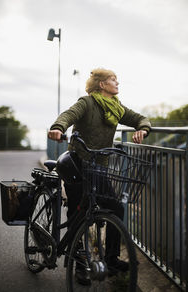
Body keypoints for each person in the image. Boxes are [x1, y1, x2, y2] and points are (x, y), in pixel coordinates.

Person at [48, 68, 151, 285]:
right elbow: (68, 114)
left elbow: (140, 118)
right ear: (102, 85)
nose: (117, 83)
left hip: (98, 166)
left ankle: (111, 259)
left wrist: (142, 129)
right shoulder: (86, 102)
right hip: (76, 162)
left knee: (116, 208)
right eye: (113, 79)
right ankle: (79, 264)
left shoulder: (116, 107)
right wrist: (58, 127)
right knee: (79, 210)